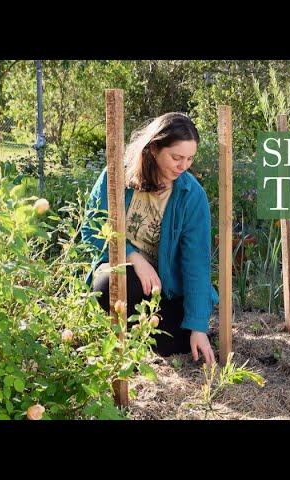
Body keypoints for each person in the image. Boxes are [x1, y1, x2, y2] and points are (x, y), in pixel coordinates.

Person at [80, 112, 218, 365]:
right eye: (176, 157)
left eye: (189, 159)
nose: (183, 166)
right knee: (109, 284)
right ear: (154, 148)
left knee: (175, 344)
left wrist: (199, 326)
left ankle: (164, 330)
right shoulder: (117, 177)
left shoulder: (191, 195)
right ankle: (129, 336)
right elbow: (91, 230)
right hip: (128, 279)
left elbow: (196, 263)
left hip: (168, 291)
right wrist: (132, 256)